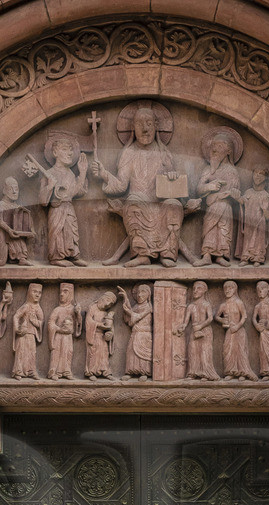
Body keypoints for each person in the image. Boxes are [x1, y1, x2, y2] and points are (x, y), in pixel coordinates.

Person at [96, 103, 186, 264]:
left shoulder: (163, 153)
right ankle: (142, 255)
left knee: (174, 205)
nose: (145, 129)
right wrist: (104, 174)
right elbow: (121, 185)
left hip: (160, 203)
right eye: (140, 124)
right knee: (134, 202)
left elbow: (171, 187)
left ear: (156, 127)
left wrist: (172, 176)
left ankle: (167, 254)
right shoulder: (128, 153)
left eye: (149, 124)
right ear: (133, 128)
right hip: (138, 203)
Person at [23, 131, 90, 263]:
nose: (70, 153)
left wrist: (82, 173)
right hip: (56, 211)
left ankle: (73, 255)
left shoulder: (70, 174)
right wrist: (50, 186)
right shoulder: (49, 174)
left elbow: (73, 192)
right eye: (65, 150)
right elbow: (42, 201)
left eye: (71, 150)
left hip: (69, 208)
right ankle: (56, 257)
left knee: (71, 232)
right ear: (55, 153)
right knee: (57, 234)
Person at [192, 129, 244, 263]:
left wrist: (231, 195)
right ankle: (207, 256)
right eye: (213, 146)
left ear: (229, 151)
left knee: (223, 229)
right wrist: (210, 186)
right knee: (209, 229)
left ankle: (221, 256)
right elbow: (199, 189)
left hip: (225, 207)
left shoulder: (232, 171)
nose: (215, 149)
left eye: (220, 146)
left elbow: (235, 191)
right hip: (211, 207)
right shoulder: (208, 170)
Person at [218, 281, 255, 380]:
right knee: (228, 351)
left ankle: (242, 373)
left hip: (238, 331)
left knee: (240, 351)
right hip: (229, 331)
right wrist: (222, 320)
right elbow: (216, 316)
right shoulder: (223, 305)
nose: (227, 290)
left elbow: (244, 316)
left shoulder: (239, 302)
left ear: (235, 290)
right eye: (225, 288)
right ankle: (231, 372)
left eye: (230, 288)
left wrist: (237, 326)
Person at [11, 283, 45, 378]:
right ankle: (18, 371)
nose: (37, 295)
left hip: (31, 334)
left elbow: (41, 322)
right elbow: (16, 316)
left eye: (39, 292)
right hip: (23, 334)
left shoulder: (38, 308)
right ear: (29, 293)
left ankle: (31, 371)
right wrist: (17, 328)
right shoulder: (26, 306)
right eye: (35, 292)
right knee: (20, 352)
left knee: (31, 353)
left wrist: (34, 322)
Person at [48, 280, 79, 380]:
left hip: (68, 337)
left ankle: (66, 371)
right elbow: (50, 322)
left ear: (70, 294)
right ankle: (54, 372)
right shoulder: (57, 309)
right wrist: (58, 329)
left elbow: (78, 324)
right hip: (58, 336)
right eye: (61, 292)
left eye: (65, 292)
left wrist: (78, 314)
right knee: (57, 352)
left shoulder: (73, 309)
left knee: (68, 352)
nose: (61, 294)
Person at [238, 177, 269, 265]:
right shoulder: (248, 192)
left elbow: (268, 216)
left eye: (261, 174)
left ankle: (258, 258)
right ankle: (245, 258)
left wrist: (265, 209)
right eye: (256, 173)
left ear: (265, 179)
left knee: (259, 240)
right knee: (247, 239)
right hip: (249, 221)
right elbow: (242, 202)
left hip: (260, 222)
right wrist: (235, 195)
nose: (257, 176)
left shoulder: (266, 195)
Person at [186, 281, 215, 381]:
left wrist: (201, 326)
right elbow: (186, 321)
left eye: (198, 288)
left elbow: (210, 318)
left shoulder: (206, 304)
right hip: (194, 331)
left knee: (204, 351)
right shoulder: (190, 306)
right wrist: (182, 327)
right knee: (193, 351)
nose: (195, 291)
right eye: (194, 288)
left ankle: (205, 374)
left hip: (205, 330)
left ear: (204, 290)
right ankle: (192, 373)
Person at [84, 290, 117, 379]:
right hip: (94, 335)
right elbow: (88, 321)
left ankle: (106, 372)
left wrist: (109, 333)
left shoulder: (105, 313)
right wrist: (99, 325)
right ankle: (91, 372)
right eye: (107, 301)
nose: (107, 305)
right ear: (102, 298)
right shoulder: (92, 308)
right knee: (93, 353)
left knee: (104, 354)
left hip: (102, 337)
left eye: (110, 304)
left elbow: (110, 327)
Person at [124, 284, 154, 379]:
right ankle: (130, 372)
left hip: (145, 334)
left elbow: (136, 317)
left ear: (148, 294)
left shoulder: (149, 307)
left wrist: (129, 312)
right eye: (138, 293)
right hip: (135, 333)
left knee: (143, 354)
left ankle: (144, 373)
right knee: (131, 351)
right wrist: (126, 300)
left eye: (143, 292)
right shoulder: (136, 306)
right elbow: (130, 321)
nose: (139, 295)